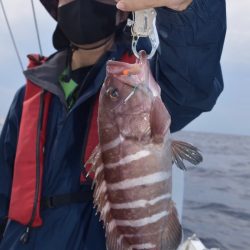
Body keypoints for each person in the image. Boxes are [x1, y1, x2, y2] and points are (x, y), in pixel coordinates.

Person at [0, 0, 226, 249]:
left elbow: (191, 85)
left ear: (121, 9)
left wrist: (186, 9)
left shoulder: (139, 80)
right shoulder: (27, 96)